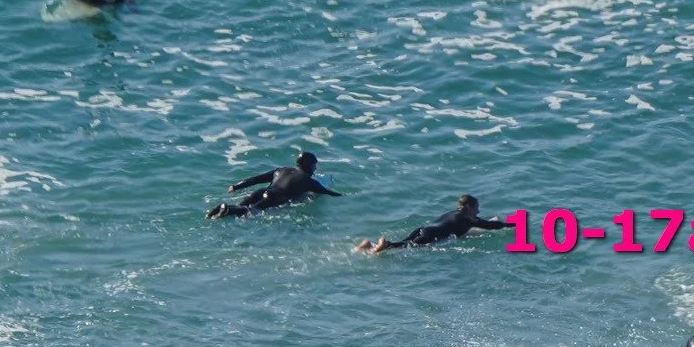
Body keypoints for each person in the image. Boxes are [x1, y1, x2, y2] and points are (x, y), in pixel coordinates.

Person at [210, 151, 339, 219]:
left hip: (262, 191)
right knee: (250, 211)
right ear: (310, 165)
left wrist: (236, 186)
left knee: (242, 205)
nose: (315, 168)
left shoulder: (281, 170)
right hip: (274, 198)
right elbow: (328, 192)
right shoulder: (308, 181)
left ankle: (222, 210)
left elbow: (257, 179)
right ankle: (227, 209)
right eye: (314, 165)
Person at [356, 195, 509, 252]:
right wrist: (514, 224)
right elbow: (491, 226)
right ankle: (383, 245)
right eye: (476, 208)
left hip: (424, 229)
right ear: (468, 207)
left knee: (404, 243)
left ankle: (370, 244)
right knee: (405, 247)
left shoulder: (453, 213)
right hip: (433, 235)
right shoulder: (467, 218)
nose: (478, 212)